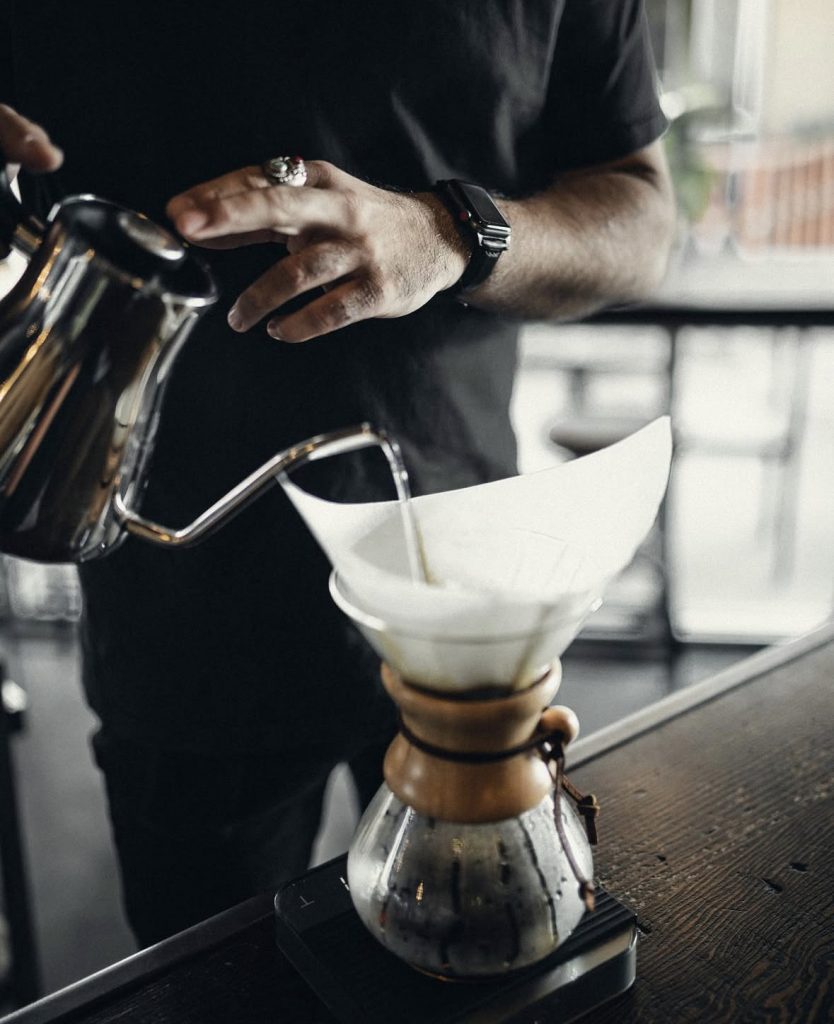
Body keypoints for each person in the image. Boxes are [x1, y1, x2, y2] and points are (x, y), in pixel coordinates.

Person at [0, 1, 675, 946]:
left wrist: (453, 235)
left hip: (457, 576)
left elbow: (642, 216)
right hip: (175, 607)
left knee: (480, 968)